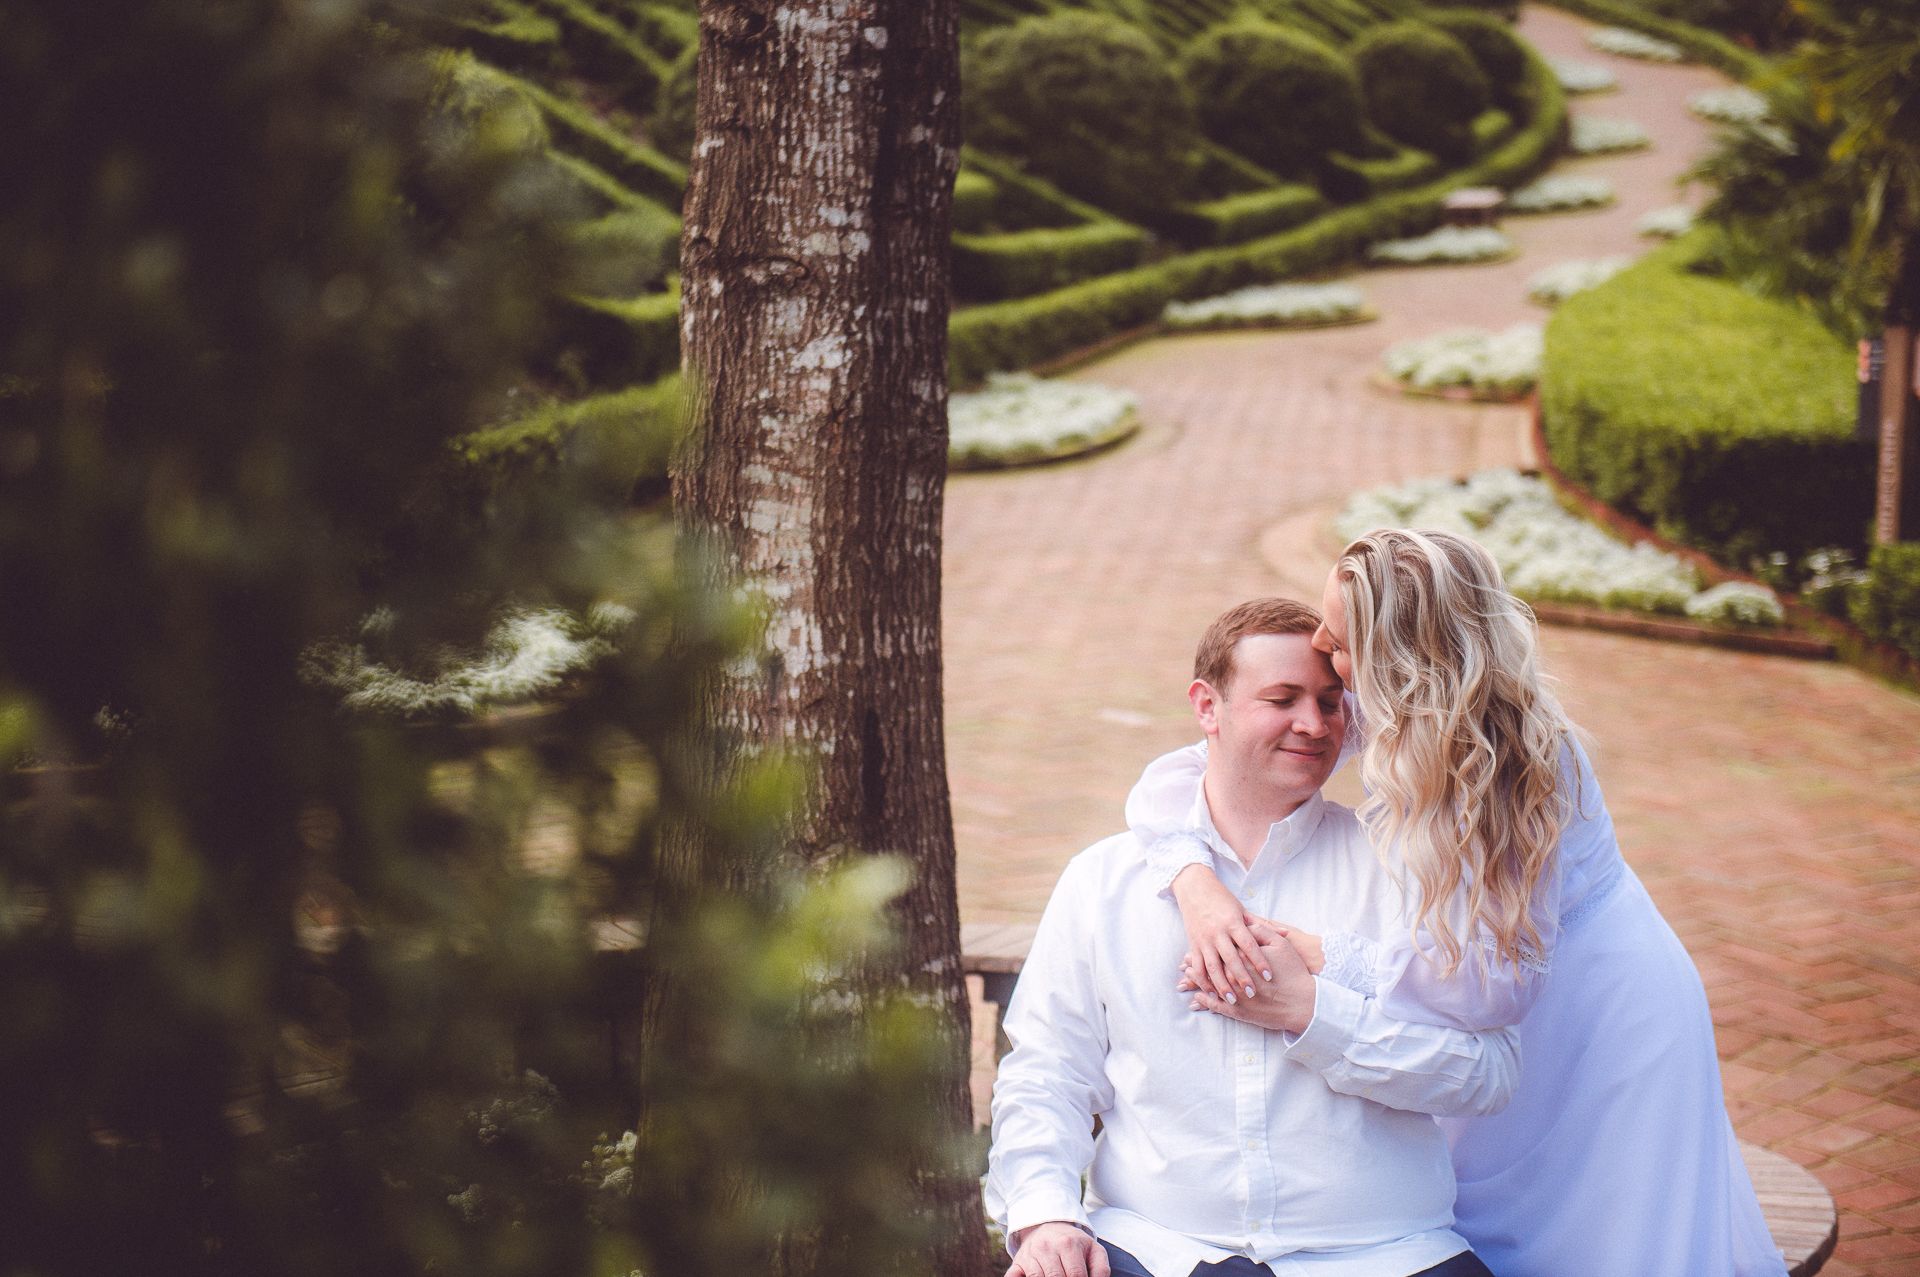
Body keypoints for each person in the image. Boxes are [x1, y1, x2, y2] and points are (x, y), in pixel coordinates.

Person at [1126, 529, 1787, 1277]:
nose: (1320, 647)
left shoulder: (1509, 760)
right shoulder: (1396, 705)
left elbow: (1488, 989)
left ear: (1396, 652)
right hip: (1485, 991)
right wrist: (1198, 887)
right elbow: (1173, 779)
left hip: (1593, 1007)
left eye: (1339, 641)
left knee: (1600, 1234)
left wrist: (1323, 959)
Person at [985, 597, 1518, 1277]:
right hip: (1156, 1248)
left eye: (1331, 701)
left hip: (1387, 1254)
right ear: (1207, 707)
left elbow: (1487, 1074)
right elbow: (1048, 1071)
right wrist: (1046, 1216)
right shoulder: (1104, 882)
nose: (1313, 723)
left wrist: (1314, 1014)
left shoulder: (1408, 873)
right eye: (1282, 698)